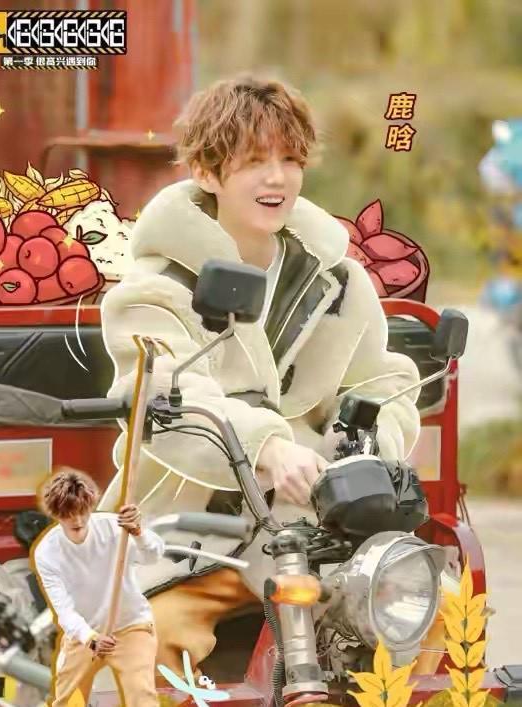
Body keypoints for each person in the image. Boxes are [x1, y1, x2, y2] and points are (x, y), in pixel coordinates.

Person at [97, 74, 427, 679]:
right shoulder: (153, 288)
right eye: (254, 162)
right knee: (152, 642)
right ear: (206, 171)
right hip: (190, 534)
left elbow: (381, 380)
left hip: (321, 531)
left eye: (290, 159)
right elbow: (162, 396)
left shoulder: (340, 282)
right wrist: (267, 447)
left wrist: (366, 447)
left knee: (427, 613)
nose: (277, 178)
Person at [32, 467, 165, 707]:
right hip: (85, 633)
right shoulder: (47, 553)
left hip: (131, 626)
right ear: (56, 514)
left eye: (82, 511)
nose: (78, 520)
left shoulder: (115, 528)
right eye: (68, 514)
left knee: (142, 697)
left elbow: (153, 556)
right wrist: (91, 638)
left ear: (90, 506)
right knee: (67, 702)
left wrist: (138, 533)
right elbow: (64, 611)